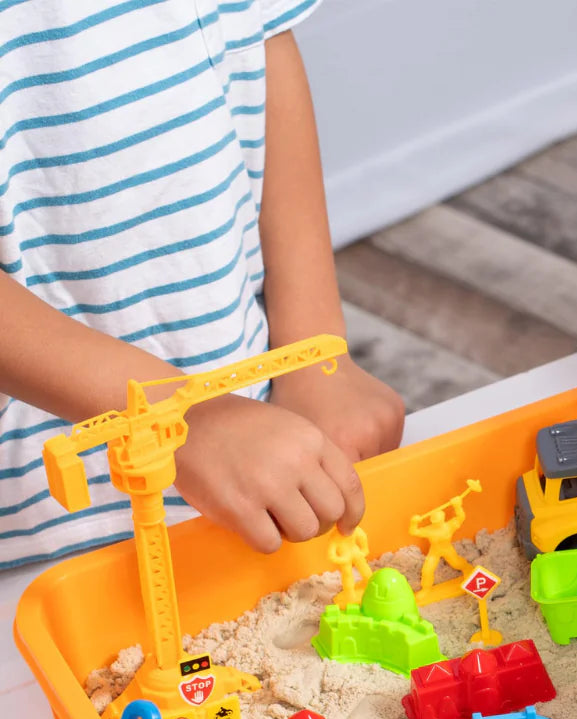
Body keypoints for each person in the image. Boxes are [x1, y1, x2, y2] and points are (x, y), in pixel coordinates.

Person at [0, 0, 406, 569]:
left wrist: (315, 351)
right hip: (37, 520)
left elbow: (261, 37)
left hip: (259, 444)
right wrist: (181, 417)